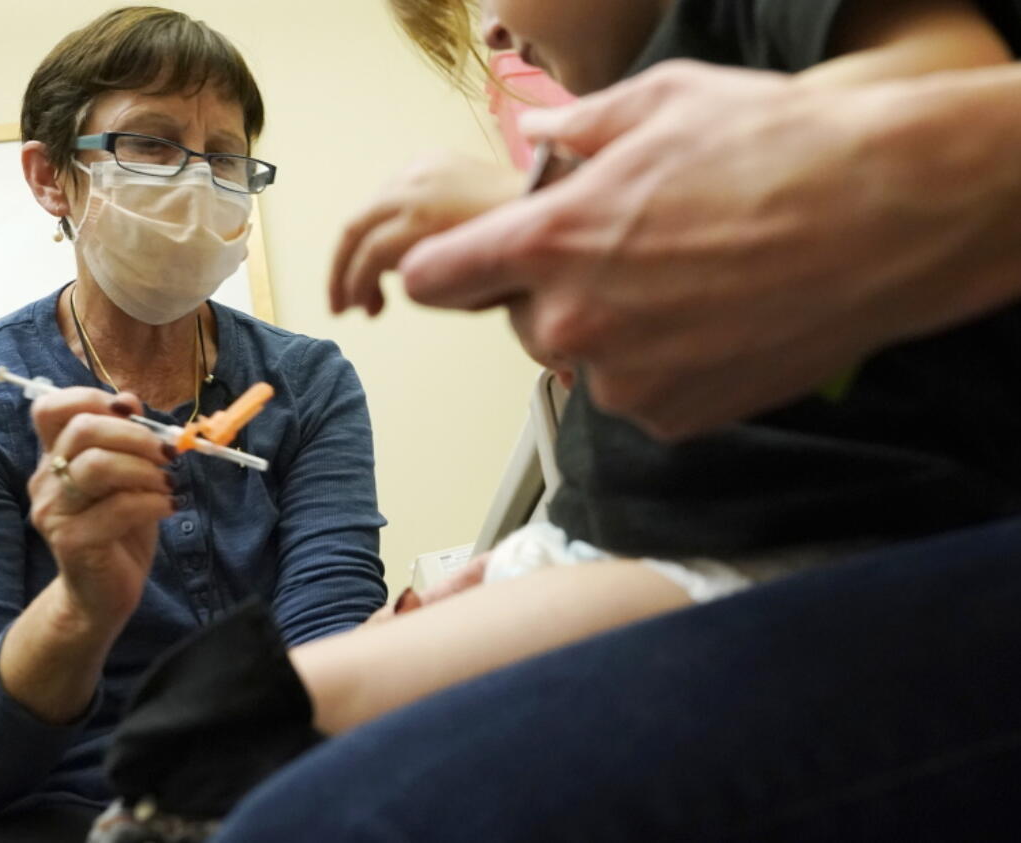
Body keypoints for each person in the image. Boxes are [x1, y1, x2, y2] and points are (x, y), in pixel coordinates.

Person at [200, 2, 1021, 840]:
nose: (486, 32)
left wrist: (534, 203)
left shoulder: (743, 19)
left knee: (294, 810)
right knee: (229, 719)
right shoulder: (646, 99)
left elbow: (940, 100)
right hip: (624, 545)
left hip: (767, 546)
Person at [0, 7, 386, 841]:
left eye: (224, 154)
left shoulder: (305, 381)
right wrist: (80, 607)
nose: (195, 181)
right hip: (57, 810)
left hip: (280, 787)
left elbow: (327, 634)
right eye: (149, 143)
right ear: (51, 178)